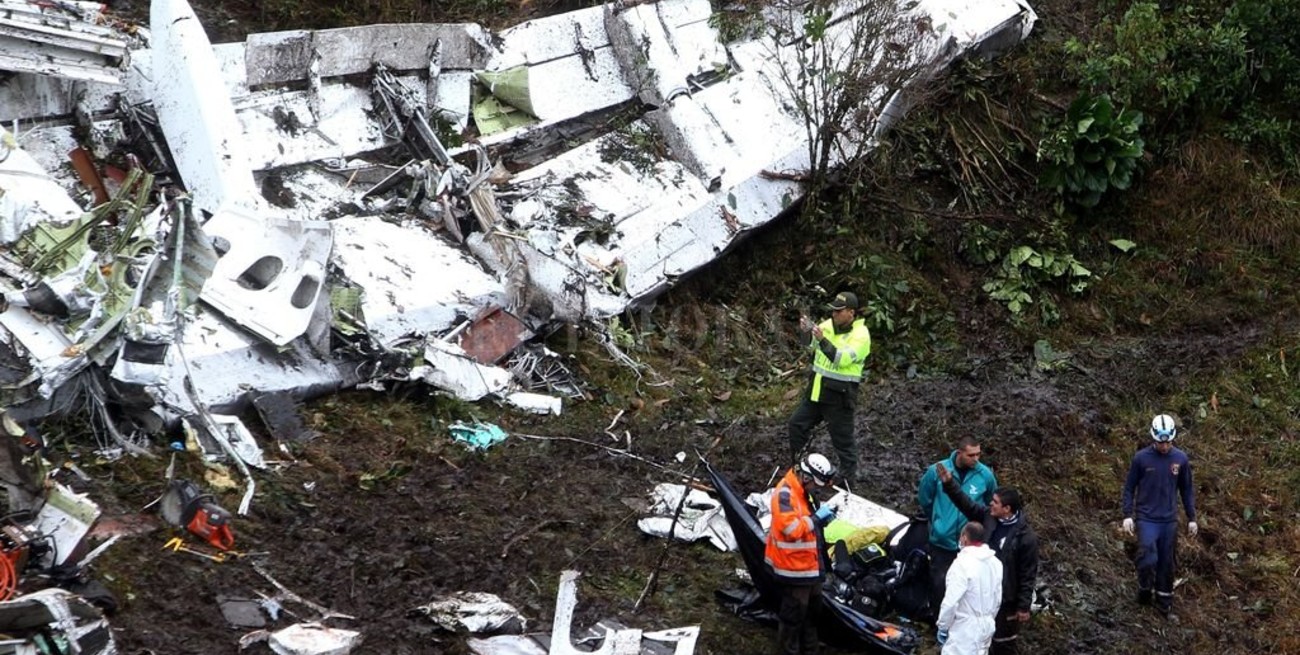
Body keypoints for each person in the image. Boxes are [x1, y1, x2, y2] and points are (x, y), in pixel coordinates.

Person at [937, 463, 1039, 655]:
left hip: (1006, 598)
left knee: (1002, 644)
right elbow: (966, 504)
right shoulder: (988, 517)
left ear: (1007, 508)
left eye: (995, 502)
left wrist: (1023, 606)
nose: (990, 504)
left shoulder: (1026, 538)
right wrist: (950, 485)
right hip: (980, 592)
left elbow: (1028, 573)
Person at [787, 292, 872, 482]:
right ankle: (799, 468)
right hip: (816, 392)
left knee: (843, 443)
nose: (834, 314)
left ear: (851, 313)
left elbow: (840, 359)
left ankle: (847, 483)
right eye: (833, 310)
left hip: (840, 397)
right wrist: (805, 332)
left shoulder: (861, 335)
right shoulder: (827, 326)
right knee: (796, 425)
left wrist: (822, 339)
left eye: (839, 311)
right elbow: (808, 346)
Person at [1121, 413, 1197, 617]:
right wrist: (1127, 514)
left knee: (1166, 563)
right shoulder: (1141, 459)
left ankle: (1164, 603)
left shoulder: (1180, 459)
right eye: (1160, 443)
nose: (1164, 447)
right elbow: (1129, 487)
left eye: (1168, 443)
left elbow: (1187, 489)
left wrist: (1192, 518)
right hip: (1146, 518)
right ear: (1153, 438)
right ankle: (1145, 589)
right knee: (1148, 556)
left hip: (1169, 520)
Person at [766, 453, 839, 655]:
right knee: (793, 616)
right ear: (805, 477)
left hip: (809, 567)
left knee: (812, 614)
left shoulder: (802, 493)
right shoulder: (785, 495)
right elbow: (792, 529)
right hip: (792, 569)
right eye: (815, 484)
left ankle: (811, 649)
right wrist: (816, 519)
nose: (817, 489)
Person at [918, 437, 997, 616]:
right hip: (942, 540)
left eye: (978, 454)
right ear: (959, 453)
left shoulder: (985, 475)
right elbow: (925, 499)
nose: (976, 459)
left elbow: (989, 507)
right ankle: (937, 622)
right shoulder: (936, 472)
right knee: (939, 583)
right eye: (971, 455)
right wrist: (938, 521)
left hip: (969, 544)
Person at [936, 522, 1003, 655]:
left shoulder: (962, 564)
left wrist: (943, 626)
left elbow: (951, 601)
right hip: (987, 625)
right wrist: (989, 618)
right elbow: (997, 598)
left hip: (965, 628)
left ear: (965, 537)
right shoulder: (996, 563)